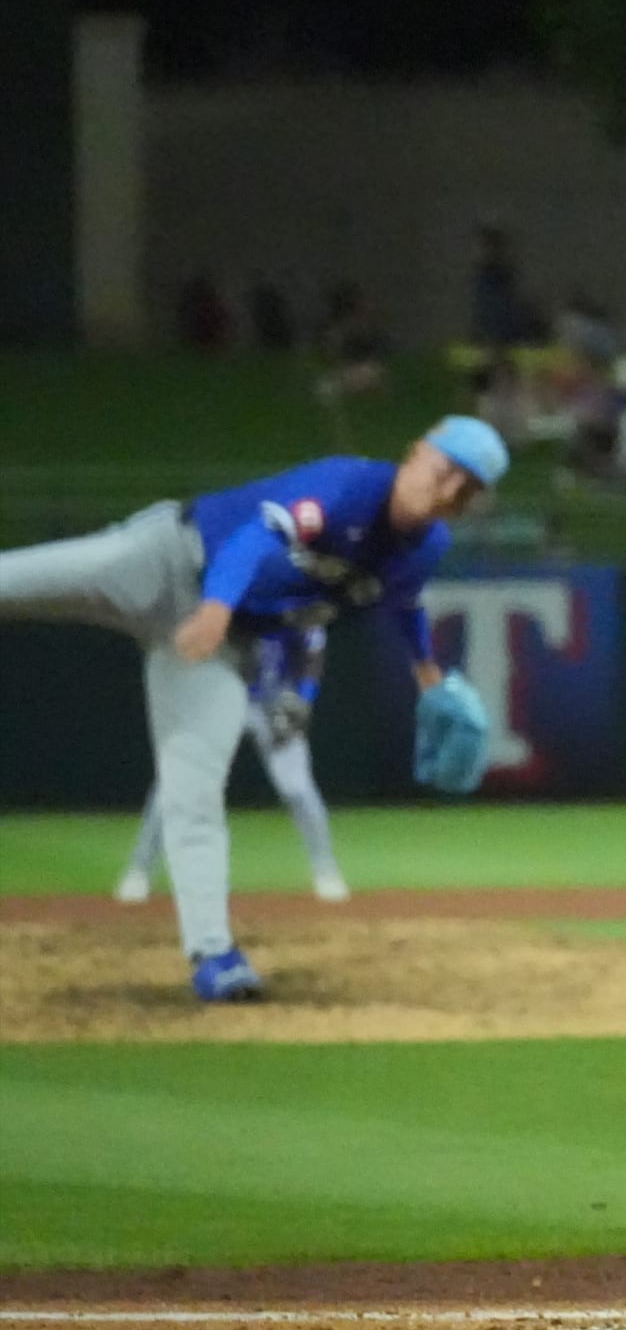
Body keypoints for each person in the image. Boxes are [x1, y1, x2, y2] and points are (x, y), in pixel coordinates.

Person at [0, 419, 508, 999]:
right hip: (165, 559)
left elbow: (403, 602)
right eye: (444, 473)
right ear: (415, 452)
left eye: (464, 491)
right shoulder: (348, 488)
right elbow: (254, 538)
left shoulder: (426, 548)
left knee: (194, 791)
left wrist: (426, 672)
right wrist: (216, 605)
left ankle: (214, 957)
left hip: (220, 643)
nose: (445, 494)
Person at [117, 626, 351, 905]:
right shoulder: (221, 594)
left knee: (298, 789)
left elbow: (313, 649)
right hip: (217, 697)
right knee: (175, 784)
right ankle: (139, 870)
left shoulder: (289, 595)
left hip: (274, 704)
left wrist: (304, 699)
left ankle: (326, 871)